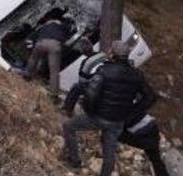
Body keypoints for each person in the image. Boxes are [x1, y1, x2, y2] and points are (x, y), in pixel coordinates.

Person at [61, 41, 152, 176]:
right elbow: (150, 97)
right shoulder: (137, 74)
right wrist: (131, 113)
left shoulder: (104, 71)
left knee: (68, 126)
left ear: (113, 54)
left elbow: (91, 95)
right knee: (109, 152)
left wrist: (89, 111)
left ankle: (75, 161)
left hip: (99, 117)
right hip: (117, 122)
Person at [20, 8, 77, 98]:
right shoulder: (65, 26)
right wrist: (72, 20)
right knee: (54, 70)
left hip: (41, 42)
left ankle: (27, 74)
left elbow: (34, 35)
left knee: (33, 59)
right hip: (54, 45)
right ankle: (53, 93)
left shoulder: (48, 23)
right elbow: (73, 32)